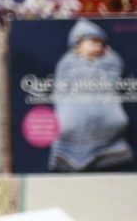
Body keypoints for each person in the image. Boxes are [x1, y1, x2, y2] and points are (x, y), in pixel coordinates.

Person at [49, 18, 134, 172]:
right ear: (77, 46)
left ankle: (108, 154)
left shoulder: (107, 64)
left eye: (101, 43)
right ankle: (69, 157)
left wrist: (111, 56)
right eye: (93, 42)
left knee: (113, 122)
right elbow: (59, 89)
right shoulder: (67, 64)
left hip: (104, 113)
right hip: (75, 113)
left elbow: (116, 73)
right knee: (68, 124)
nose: (99, 46)